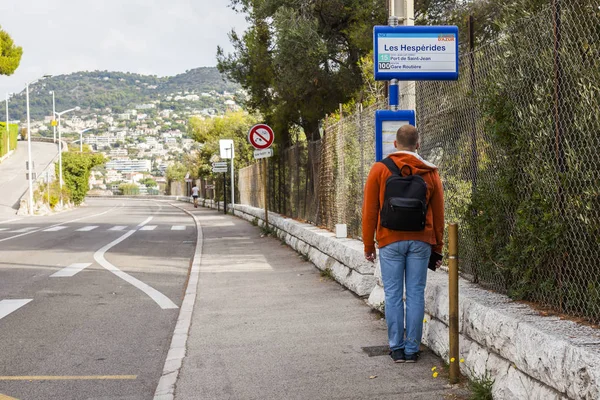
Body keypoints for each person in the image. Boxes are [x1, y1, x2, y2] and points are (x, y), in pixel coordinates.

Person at [362, 124, 444, 364]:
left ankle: (396, 348)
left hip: (389, 240)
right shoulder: (430, 172)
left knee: (394, 294)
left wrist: (368, 245)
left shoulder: (379, 169)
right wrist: (437, 247)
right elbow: (439, 214)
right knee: (416, 294)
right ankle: (412, 350)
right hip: (421, 240)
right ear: (418, 145)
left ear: (395, 145)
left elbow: (369, 211)